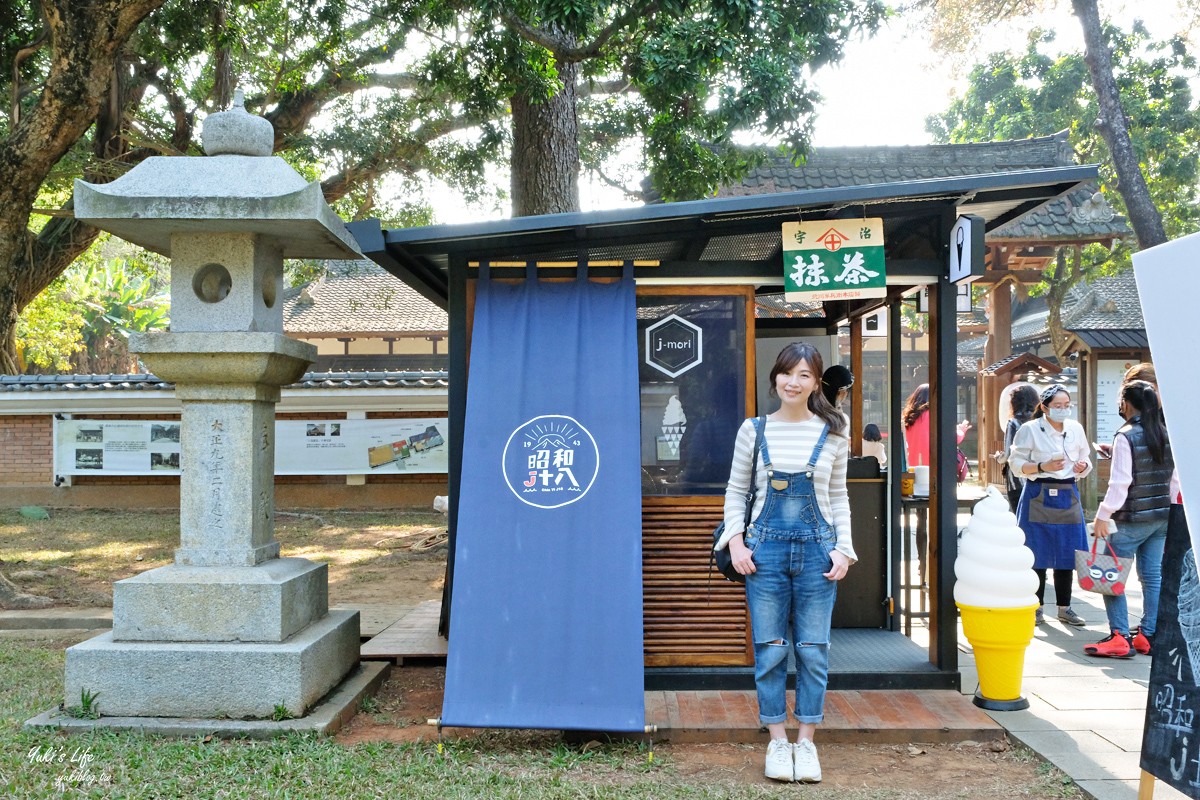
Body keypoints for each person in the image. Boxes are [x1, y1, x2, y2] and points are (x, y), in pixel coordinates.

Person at [716, 342, 854, 783]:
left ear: (816, 383)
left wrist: (843, 550)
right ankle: (777, 740)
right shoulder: (753, 430)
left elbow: (838, 495)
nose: (794, 382)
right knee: (771, 650)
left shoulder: (835, 430)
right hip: (764, 553)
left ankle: (806, 744)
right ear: (775, 376)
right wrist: (736, 544)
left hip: (819, 551)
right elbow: (736, 492)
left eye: (805, 375)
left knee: (814, 651)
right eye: (787, 373)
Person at [1084, 380, 1174, 658]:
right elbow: (1171, 479)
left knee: (1111, 575)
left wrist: (1102, 515)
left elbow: (1120, 483)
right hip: (1161, 516)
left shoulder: (1125, 435)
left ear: (1125, 403)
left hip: (1130, 519)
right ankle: (1148, 634)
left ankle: (1119, 637)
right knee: (1152, 576)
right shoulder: (1165, 432)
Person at [1006, 384, 1093, 626]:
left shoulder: (1075, 428)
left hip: (1068, 491)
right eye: (1057, 406)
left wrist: (1083, 468)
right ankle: (1036, 607)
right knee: (1037, 552)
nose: (1063, 410)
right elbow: (1015, 463)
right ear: (1044, 407)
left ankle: (1065, 608)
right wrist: (1042, 467)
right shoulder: (1030, 429)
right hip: (1038, 491)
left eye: (1067, 406)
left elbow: (1086, 458)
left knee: (1068, 551)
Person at [901, 383, 971, 469]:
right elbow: (950, 439)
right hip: (933, 465)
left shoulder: (907, 417)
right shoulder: (934, 415)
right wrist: (961, 430)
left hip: (911, 464)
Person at [995, 384, 1039, 513]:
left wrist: (999, 457)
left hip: (1017, 479)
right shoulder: (1040, 421)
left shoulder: (1014, 422)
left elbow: (1008, 454)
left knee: (1020, 518)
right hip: (1038, 477)